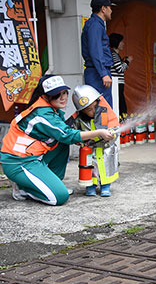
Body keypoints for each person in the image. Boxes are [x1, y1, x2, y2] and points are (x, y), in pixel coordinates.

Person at [0, 75, 114, 205]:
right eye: (56, 94)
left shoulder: (52, 110)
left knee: (62, 143)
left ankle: (53, 182)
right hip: (19, 162)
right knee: (59, 197)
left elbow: (64, 136)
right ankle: (22, 188)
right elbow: (66, 134)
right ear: (45, 96)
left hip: (34, 157)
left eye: (64, 92)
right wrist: (99, 133)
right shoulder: (42, 113)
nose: (63, 97)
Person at [67, 85, 120, 197]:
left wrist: (112, 134)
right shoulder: (79, 119)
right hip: (89, 149)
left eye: (95, 107)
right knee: (89, 169)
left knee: (106, 168)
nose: (93, 112)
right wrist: (80, 142)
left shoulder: (106, 113)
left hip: (105, 148)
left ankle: (105, 186)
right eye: (89, 110)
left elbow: (115, 126)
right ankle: (90, 186)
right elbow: (72, 132)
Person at [81, 0, 114, 108]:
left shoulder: (96, 24)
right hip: (97, 73)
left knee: (102, 107)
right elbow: (95, 50)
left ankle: (105, 126)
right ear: (103, 9)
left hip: (97, 72)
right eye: (109, 7)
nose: (111, 10)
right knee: (102, 108)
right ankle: (104, 126)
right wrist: (103, 73)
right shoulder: (95, 25)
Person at [109, 33, 132, 117]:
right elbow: (120, 69)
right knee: (120, 103)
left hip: (118, 83)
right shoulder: (113, 54)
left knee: (121, 102)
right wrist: (127, 61)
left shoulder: (115, 55)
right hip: (117, 84)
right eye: (121, 42)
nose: (123, 44)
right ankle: (122, 120)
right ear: (116, 42)